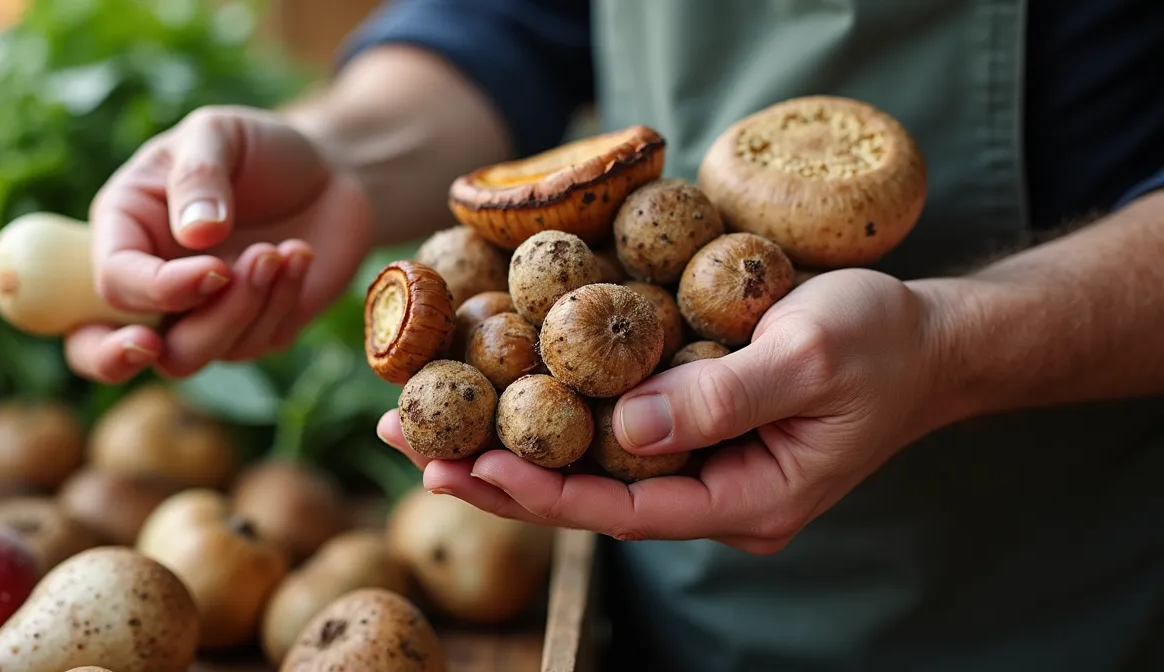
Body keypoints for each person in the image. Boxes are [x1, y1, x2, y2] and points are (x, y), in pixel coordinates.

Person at [65, 1, 1164, 669]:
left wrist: (956, 341)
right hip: (667, 597)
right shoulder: (550, 321)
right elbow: (514, 19)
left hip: (1066, 592)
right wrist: (344, 157)